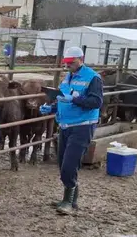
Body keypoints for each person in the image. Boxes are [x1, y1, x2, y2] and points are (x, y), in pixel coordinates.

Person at [39, 46, 103, 215]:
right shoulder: (67, 77)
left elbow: (96, 102)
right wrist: (51, 108)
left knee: (69, 164)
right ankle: (71, 199)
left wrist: (75, 98)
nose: (68, 66)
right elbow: (63, 99)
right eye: (66, 64)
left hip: (82, 126)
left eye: (71, 63)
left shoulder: (93, 78)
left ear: (81, 59)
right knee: (62, 163)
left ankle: (68, 201)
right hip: (65, 125)